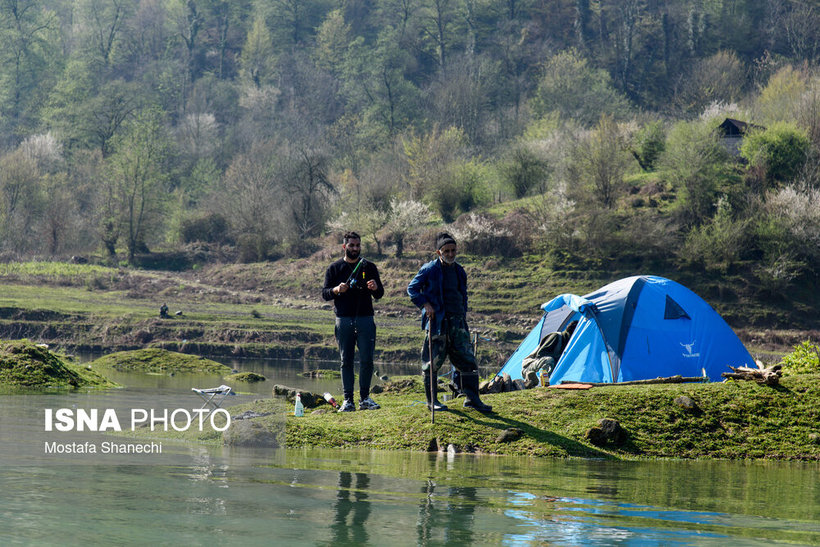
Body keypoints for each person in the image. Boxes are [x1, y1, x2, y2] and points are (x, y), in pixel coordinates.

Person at [407, 232, 492, 413]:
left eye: (453, 250)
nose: (451, 254)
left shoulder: (460, 270)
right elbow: (412, 289)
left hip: (458, 322)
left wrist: (463, 312)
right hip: (437, 322)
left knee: (468, 360)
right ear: (438, 252)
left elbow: (463, 294)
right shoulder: (429, 269)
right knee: (432, 362)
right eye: (447, 251)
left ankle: (472, 399)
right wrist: (425, 304)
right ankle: (432, 402)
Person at [322, 231, 385, 412]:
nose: (355, 249)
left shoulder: (369, 267)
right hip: (343, 319)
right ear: (344, 247)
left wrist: (375, 287)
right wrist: (336, 289)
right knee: (346, 361)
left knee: (367, 360)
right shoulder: (334, 268)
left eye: (358, 246)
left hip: (366, 318)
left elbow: (379, 294)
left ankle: (364, 398)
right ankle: (348, 400)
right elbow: (324, 293)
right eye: (351, 245)